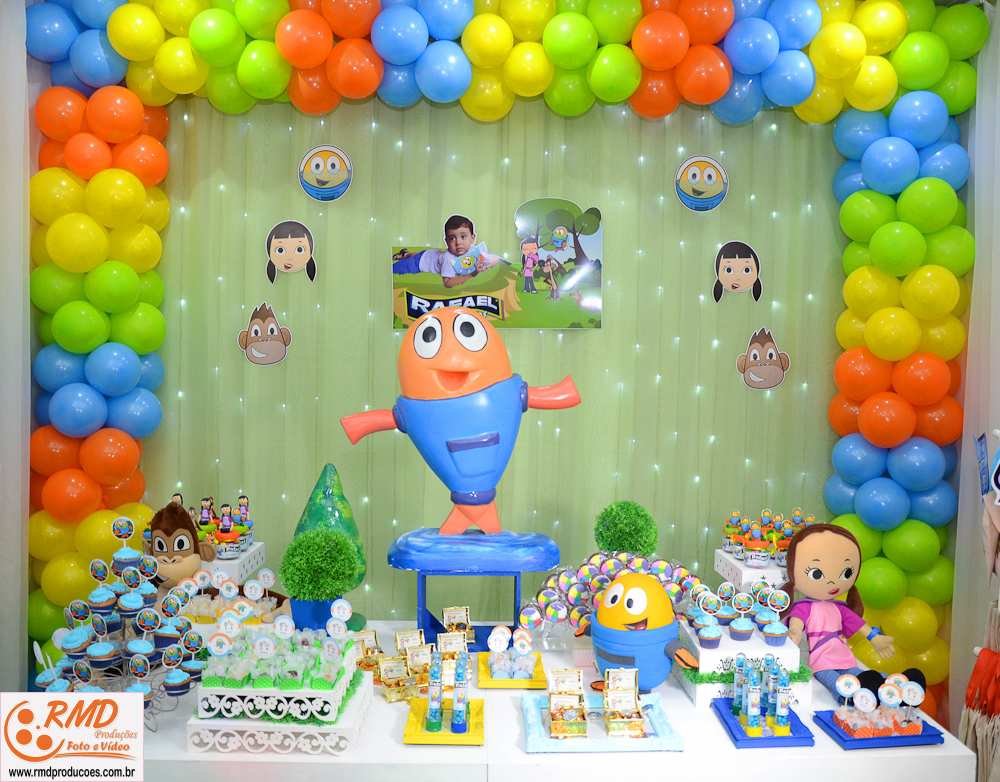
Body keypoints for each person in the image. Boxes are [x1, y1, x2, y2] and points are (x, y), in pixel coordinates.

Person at [783, 524, 924, 702]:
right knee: (837, 683)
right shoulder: (804, 607)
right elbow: (796, 625)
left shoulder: (840, 608)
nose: (832, 581)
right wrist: (793, 635)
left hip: (844, 657)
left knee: (861, 675)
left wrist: (875, 638)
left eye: (845, 572)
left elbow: (859, 625)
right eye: (817, 573)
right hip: (821, 661)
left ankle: (895, 686)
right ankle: (853, 698)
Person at [392, 215, 503, 288]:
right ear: (446, 241)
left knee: (416, 255)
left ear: (472, 238)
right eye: (452, 238)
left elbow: (496, 258)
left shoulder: (473, 250)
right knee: (394, 269)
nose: (458, 242)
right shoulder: (448, 258)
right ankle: (402, 257)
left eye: (463, 236)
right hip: (420, 263)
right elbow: (448, 283)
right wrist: (472, 275)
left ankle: (404, 254)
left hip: (430, 255)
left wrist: (491, 262)